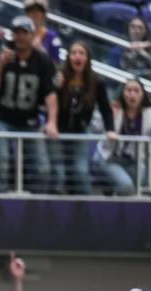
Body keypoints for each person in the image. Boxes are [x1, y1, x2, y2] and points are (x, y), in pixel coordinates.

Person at [0, 15, 58, 194]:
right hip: (2, 117)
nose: (20, 36)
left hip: (29, 120)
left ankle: (36, 204)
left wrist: (51, 122)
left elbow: (50, 94)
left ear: (32, 35)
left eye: (24, 33)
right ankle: (0, 201)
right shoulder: (2, 54)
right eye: (16, 32)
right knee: (1, 161)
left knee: (43, 167)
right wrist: (0, 65)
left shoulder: (42, 60)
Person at [50, 41, 115, 195]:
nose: (77, 57)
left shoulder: (97, 81)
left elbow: (106, 108)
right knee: (59, 173)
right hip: (58, 131)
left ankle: (85, 211)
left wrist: (110, 129)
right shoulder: (59, 77)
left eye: (81, 53)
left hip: (80, 131)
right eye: (73, 53)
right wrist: (57, 87)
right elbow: (47, 101)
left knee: (80, 172)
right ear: (68, 57)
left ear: (87, 58)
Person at [94, 78, 151, 196]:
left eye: (136, 91)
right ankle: (119, 208)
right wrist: (108, 118)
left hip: (132, 161)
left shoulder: (149, 113)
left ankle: (114, 195)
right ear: (123, 93)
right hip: (108, 158)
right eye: (129, 90)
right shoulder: (114, 108)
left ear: (142, 95)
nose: (132, 94)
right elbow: (95, 127)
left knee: (145, 180)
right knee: (126, 186)